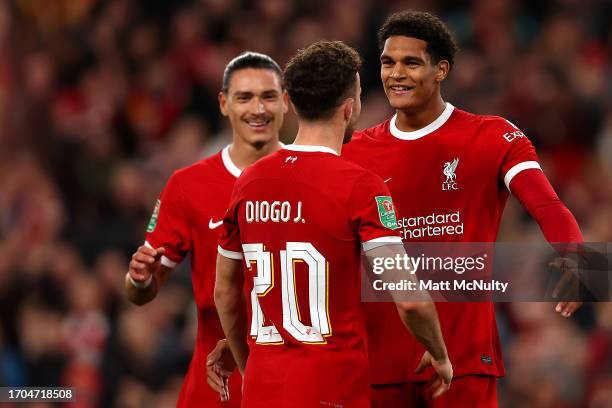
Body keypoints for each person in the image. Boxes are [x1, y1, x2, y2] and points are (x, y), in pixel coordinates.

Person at [342, 10, 584, 408]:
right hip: (381, 357)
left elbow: (547, 204)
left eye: (411, 62)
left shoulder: (491, 135)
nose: (396, 74)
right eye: (388, 62)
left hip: (464, 354)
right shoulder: (355, 151)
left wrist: (578, 259)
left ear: (441, 70)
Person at [215, 40, 452, 408]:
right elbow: (409, 299)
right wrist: (439, 353)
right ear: (350, 107)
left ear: (290, 104)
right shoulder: (359, 185)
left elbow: (225, 293)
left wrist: (251, 371)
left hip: (263, 392)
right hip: (332, 391)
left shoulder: (248, 182)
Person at [125, 51, 288, 407]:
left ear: (286, 102)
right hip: (218, 383)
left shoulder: (316, 174)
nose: (257, 109)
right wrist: (139, 278)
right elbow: (142, 291)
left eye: (268, 96)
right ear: (224, 104)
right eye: (244, 97)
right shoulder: (188, 185)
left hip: (296, 376)